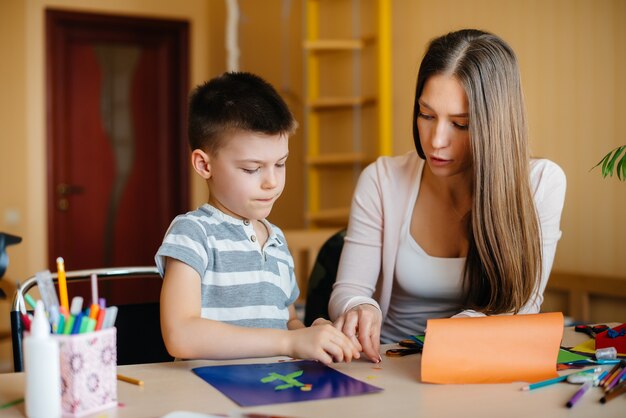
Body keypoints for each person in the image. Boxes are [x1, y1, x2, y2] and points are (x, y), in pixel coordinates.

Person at [329, 29, 567, 362]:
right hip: (390, 361)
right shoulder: (382, 180)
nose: (436, 140)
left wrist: (456, 335)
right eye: (426, 115)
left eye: (460, 123)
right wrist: (359, 306)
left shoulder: (542, 183)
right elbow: (349, 290)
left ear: (494, 124)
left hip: (483, 363)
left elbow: (523, 306)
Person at [156, 72, 358, 364]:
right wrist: (289, 342)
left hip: (273, 389)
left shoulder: (276, 240)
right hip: (210, 397)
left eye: (281, 164)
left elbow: (286, 323)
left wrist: (311, 335)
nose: (272, 182)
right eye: (252, 169)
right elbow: (180, 335)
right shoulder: (192, 233)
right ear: (204, 164)